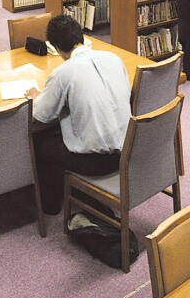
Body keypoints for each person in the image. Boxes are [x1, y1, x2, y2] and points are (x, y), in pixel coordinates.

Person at [25, 15, 132, 215]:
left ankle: (50, 206)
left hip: (95, 162)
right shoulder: (113, 58)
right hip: (128, 150)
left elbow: (40, 116)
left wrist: (36, 97)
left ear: (55, 47)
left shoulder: (63, 73)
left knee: (39, 141)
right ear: (81, 36)